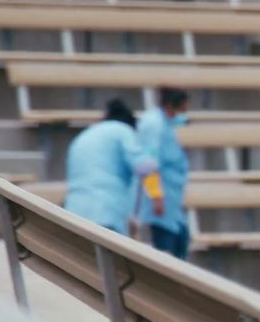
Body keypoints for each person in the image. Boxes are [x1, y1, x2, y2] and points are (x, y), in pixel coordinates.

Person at [63, 99, 162, 236]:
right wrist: (157, 198)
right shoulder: (123, 131)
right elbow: (145, 167)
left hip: (75, 210)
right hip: (106, 210)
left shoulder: (86, 135)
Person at [136, 87, 191, 259]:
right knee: (166, 248)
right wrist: (156, 196)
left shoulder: (171, 122)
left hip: (174, 196)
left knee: (182, 240)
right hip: (161, 197)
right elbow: (149, 163)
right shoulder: (154, 124)